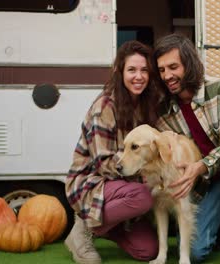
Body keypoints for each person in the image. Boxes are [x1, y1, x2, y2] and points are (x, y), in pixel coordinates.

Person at [153, 33, 220, 264]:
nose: (167, 76)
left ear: (189, 65)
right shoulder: (163, 111)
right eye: (162, 70)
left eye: (173, 67)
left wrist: (201, 166)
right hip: (205, 187)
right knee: (195, 252)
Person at [65, 40, 161, 264]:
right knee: (143, 196)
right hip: (91, 182)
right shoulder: (105, 106)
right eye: (132, 70)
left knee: (148, 252)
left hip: (125, 184)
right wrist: (146, 175)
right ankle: (83, 228)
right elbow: (105, 164)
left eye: (144, 70)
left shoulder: (145, 104)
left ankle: (111, 224)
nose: (139, 76)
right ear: (119, 72)